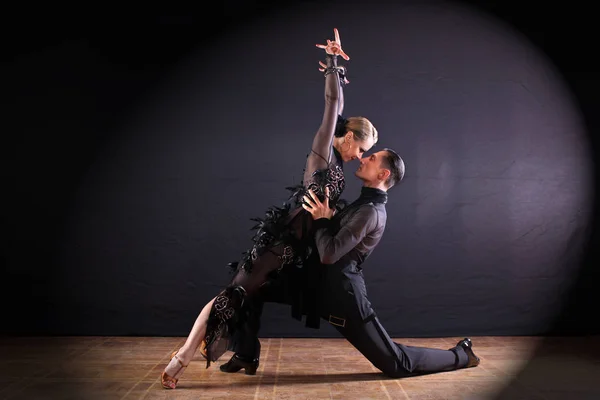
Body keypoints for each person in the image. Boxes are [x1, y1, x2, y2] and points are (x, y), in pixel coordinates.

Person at [160, 28, 380, 389]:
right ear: (351, 137)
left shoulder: (340, 169)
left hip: (294, 253)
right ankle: (179, 361)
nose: (361, 156)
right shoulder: (322, 153)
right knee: (230, 296)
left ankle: (245, 354)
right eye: (362, 148)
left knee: (249, 297)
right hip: (276, 247)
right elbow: (332, 107)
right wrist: (334, 64)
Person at [221, 148, 482, 378]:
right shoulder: (362, 203)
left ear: (382, 175)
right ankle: (246, 354)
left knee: (395, 363)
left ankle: (460, 354)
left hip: (341, 296)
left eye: (372, 158)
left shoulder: (371, 211)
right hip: (314, 284)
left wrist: (323, 220)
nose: (363, 158)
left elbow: (329, 253)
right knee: (249, 289)